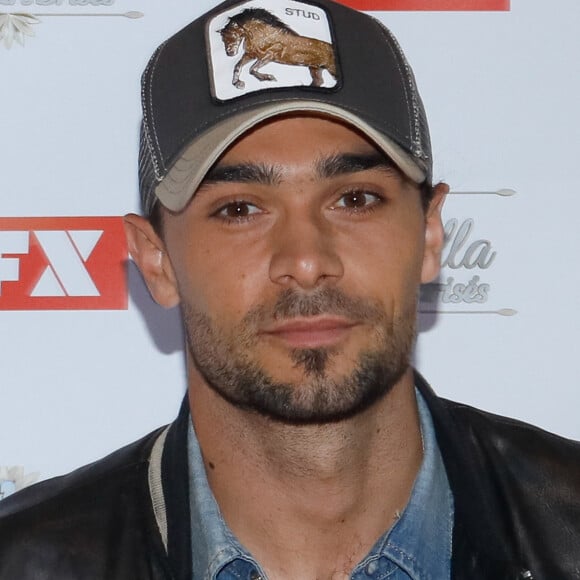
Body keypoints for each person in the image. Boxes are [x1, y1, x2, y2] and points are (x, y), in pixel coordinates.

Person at [1, 0, 579, 578]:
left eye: (355, 199)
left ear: (429, 235)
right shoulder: (24, 560)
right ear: (157, 261)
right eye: (240, 208)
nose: (305, 261)